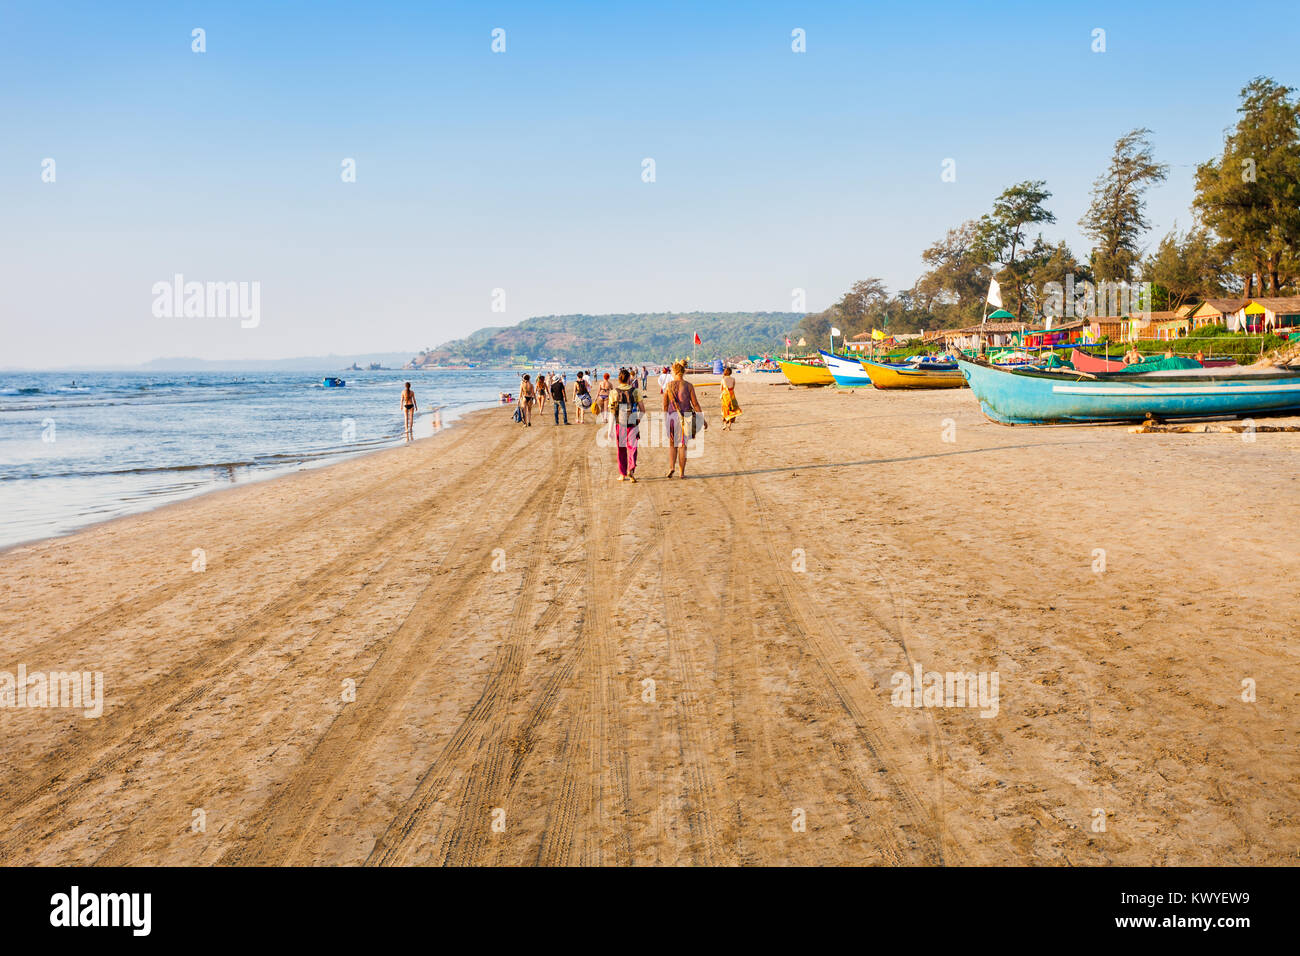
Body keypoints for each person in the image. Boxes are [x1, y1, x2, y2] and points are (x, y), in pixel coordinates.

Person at [662, 361, 706, 478]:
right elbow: (695, 404)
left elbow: (665, 405)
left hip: (671, 417)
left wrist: (665, 418)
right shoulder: (688, 385)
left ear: (676, 372)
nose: (671, 373)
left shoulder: (669, 386)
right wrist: (702, 418)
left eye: (671, 371)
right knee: (683, 445)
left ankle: (672, 467)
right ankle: (681, 473)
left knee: (672, 444)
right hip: (685, 418)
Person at [609, 368, 644, 481]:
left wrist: (610, 430)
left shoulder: (614, 392)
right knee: (632, 447)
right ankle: (631, 469)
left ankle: (622, 474)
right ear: (629, 379)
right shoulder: (636, 391)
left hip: (620, 423)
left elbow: (612, 413)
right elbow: (643, 410)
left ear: (619, 379)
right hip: (632, 423)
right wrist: (638, 419)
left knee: (621, 449)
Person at [720, 365, 742, 430]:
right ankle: (729, 425)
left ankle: (724, 425)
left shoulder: (723, 379)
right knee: (731, 410)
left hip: (725, 396)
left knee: (725, 410)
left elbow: (721, 389)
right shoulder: (733, 379)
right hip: (732, 396)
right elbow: (733, 388)